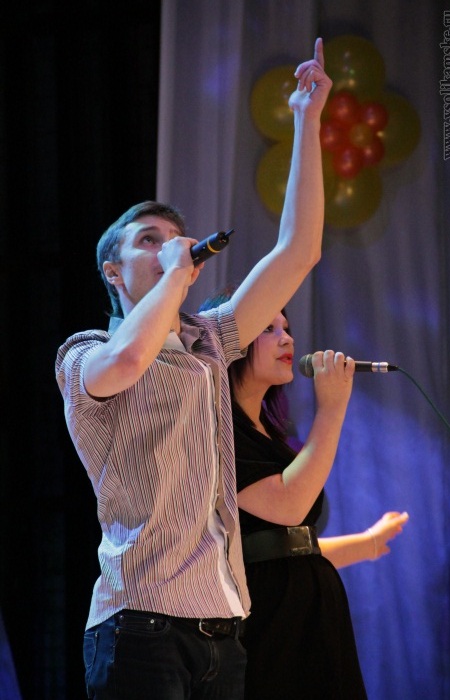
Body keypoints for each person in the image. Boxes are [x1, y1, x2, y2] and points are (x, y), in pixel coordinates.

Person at [54, 38, 332, 700]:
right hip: (140, 624)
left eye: (172, 239)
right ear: (113, 271)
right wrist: (176, 276)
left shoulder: (210, 339)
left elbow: (299, 251)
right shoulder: (83, 350)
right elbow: (129, 359)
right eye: (147, 241)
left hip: (223, 627)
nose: (166, 248)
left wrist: (307, 120)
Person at [198, 290, 409, 699]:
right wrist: (332, 409)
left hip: (313, 619)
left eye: (287, 327)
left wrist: (367, 543)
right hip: (269, 623)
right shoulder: (215, 431)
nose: (287, 338)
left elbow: (286, 547)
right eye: (268, 328)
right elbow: (288, 507)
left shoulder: (272, 436)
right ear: (229, 341)